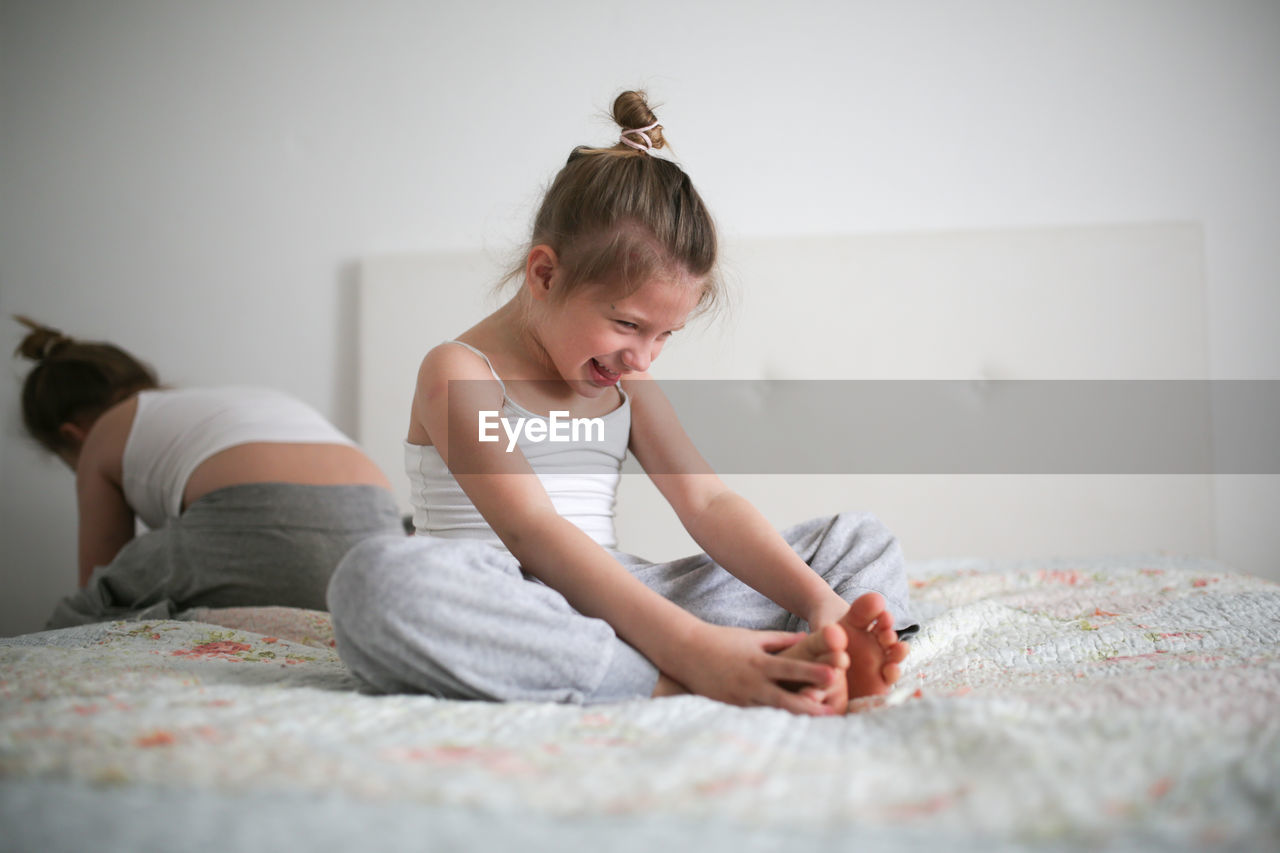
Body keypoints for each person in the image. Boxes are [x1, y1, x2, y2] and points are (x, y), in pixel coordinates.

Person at [327, 91, 915, 716]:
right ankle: (686, 674)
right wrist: (689, 645)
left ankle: (819, 652)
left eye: (665, 336)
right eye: (628, 324)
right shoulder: (459, 372)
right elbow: (532, 531)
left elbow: (708, 502)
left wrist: (823, 601)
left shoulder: (626, 383)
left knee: (856, 542)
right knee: (375, 583)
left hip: (624, 598)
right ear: (546, 274)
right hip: (508, 602)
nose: (643, 358)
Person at [13, 316, 405, 629]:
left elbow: (99, 578)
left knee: (81, 616)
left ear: (71, 434)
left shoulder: (104, 432)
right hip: (376, 540)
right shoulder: (240, 400)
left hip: (260, 520)